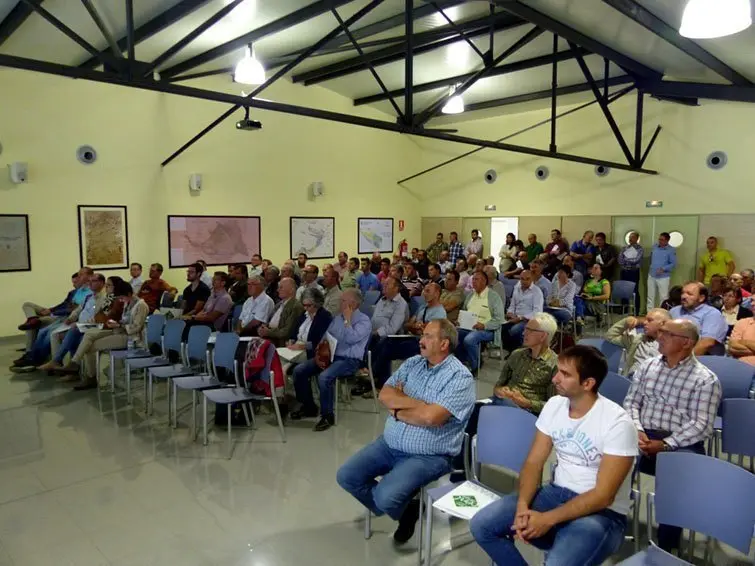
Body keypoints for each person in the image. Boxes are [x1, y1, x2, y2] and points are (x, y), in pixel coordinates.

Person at [471, 345, 638, 566]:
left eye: (565, 374)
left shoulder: (617, 423)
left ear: (588, 384)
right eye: (557, 370)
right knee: (482, 526)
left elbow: (603, 496)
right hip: (555, 494)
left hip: (601, 513)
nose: (555, 379)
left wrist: (547, 519)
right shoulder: (555, 405)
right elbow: (533, 462)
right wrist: (523, 507)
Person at [337, 319, 475, 544]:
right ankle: (406, 509)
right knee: (347, 476)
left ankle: (396, 505)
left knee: (384, 498)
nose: (421, 341)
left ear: (444, 344)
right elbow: (384, 395)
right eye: (423, 335)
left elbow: (432, 418)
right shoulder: (412, 363)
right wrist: (421, 405)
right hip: (389, 444)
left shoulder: (460, 378)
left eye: (429, 336)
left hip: (429, 455)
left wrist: (399, 409)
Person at [624, 319, 721, 552]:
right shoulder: (648, 366)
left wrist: (666, 444)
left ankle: (667, 547)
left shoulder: (705, 380)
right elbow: (631, 402)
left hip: (679, 441)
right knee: (609, 457)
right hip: (642, 433)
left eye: (667, 334)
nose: (660, 336)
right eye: (661, 332)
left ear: (686, 342)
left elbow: (702, 425)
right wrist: (636, 429)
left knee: (677, 478)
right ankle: (608, 520)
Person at [291, 289, 371, 431]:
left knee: (324, 377)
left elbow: (351, 339)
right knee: (299, 370)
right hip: (330, 356)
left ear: (354, 304)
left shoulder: (363, 321)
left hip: (349, 360)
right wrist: (319, 352)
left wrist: (347, 320)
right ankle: (309, 407)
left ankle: (327, 415)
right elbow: (326, 337)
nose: (340, 303)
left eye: (343, 301)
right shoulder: (337, 318)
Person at [63, 282, 149, 390]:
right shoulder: (128, 303)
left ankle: (89, 375)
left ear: (129, 293)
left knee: (90, 347)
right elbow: (124, 319)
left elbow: (136, 326)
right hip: (119, 330)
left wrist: (119, 324)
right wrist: (115, 323)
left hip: (131, 338)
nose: (121, 301)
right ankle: (78, 366)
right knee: (89, 335)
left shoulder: (141, 305)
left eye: (122, 298)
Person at [367, 282, 447, 395]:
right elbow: (408, 324)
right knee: (386, 340)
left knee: (387, 349)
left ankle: (373, 374)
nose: (424, 293)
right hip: (413, 337)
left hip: (425, 345)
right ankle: (374, 375)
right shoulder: (423, 307)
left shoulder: (439, 312)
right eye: (424, 290)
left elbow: (429, 332)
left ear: (437, 294)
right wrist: (416, 327)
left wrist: (418, 327)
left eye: (428, 291)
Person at [455, 271, 505, 376]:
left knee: (470, 339)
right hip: (469, 326)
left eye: (476, 279)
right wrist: (460, 320)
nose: (473, 282)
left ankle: (476, 364)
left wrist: (484, 325)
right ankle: (460, 362)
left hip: (487, 329)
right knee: (454, 334)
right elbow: (464, 311)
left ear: (484, 281)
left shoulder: (493, 297)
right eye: (473, 279)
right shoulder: (470, 295)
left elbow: (499, 319)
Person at [606, 309, 670, 376]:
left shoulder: (671, 345)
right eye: (645, 320)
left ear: (663, 324)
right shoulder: (637, 339)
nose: (644, 322)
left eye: (650, 320)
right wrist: (626, 322)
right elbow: (610, 336)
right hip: (632, 379)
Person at [668, 282, 728, 355]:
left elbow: (706, 343)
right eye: (683, 293)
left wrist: (682, 361)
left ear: (701, 298)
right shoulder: (674, 311)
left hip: (702, 358)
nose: (683, 296)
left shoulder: (712, 314)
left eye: (689, 294)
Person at [182, 272, 233, 338]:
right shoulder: (212, 294)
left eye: (215, 279)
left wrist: (195, 317)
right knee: (182, 324)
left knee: (187, 329)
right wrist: (196, 317)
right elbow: (204, 309)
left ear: (223, 283)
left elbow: (211, 318)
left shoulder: (225, 298)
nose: (212, 281)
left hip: (211, 326)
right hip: (202, 321)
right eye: (213, 279)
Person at [502, 271, 544, 352]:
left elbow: (537, 312)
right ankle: (511, 351)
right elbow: (512, 305)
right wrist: (510, 313)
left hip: (528, 319)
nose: (524, 281)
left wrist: (520, 318)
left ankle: (519, 351)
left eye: (527, 279)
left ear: (532, 279)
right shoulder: (516, 288)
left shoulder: (537, 291)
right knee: (501, 327)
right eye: (522, 279)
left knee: (515, 330)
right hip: (515, 317)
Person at [286, 288, 333, 360]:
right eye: (304, 305)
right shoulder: (304, 314)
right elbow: (294, 332)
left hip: (310, 351)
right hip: (296, 347)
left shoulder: (325, 317)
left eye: (309, 305)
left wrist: (303, 346)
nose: (305, 308)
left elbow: (320, 342)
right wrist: (291, 340)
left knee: (283, 360)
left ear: (317, 303)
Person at [258, 278, 304, 347]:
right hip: (270, 336)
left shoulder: (296, 307)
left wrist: (268, 332)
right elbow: (269, 322)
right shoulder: (279, 304)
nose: (277, 290)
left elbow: (287, 332)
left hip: (280, 341)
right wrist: (262, 328)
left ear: (291, 290)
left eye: (281, 287)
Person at [647, 232, 676, 311]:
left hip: (663, 277)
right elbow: (651, 258)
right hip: (651, 275)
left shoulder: (671, 250)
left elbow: (673, 263)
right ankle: (649, 313)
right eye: (659, 239)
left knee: (663, 297)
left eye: (662, 240)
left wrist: (663, 268)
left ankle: (662, 314)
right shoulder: (655, 247)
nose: (660, 241)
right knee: (650, 296)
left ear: (667, 240)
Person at [618, 231, 643, 315]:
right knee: (624, 291)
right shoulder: (625, 248)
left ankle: (636, 311)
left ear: (636, 239)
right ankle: (624, 310)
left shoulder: (639, 249)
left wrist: (626, 259)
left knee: (635, 291)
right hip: (624, 271)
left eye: (632, 237)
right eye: (629, 237)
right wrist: (628, 259)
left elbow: (636, 260)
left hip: (633, 272)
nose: (630, 239)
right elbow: (620, 260)